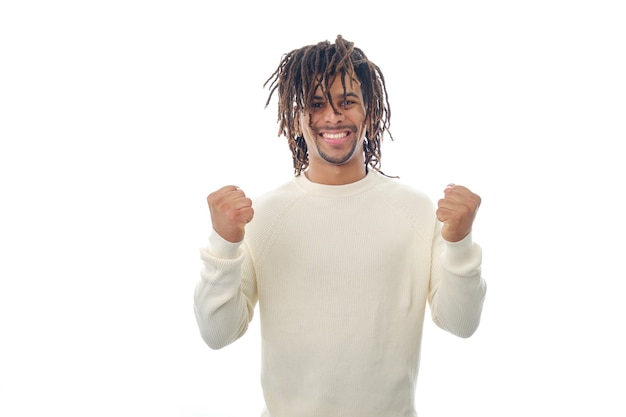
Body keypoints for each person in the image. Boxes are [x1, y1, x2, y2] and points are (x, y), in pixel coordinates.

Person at [194, 34, 487, 417]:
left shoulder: (416, 212)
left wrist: (460, 243)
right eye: (317, 104)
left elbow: (460, 323)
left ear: (370, 112)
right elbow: (217, 334)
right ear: (297, 119)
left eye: (347, 101)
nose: (333, 116)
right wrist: (223, 244)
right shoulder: (262, 216)